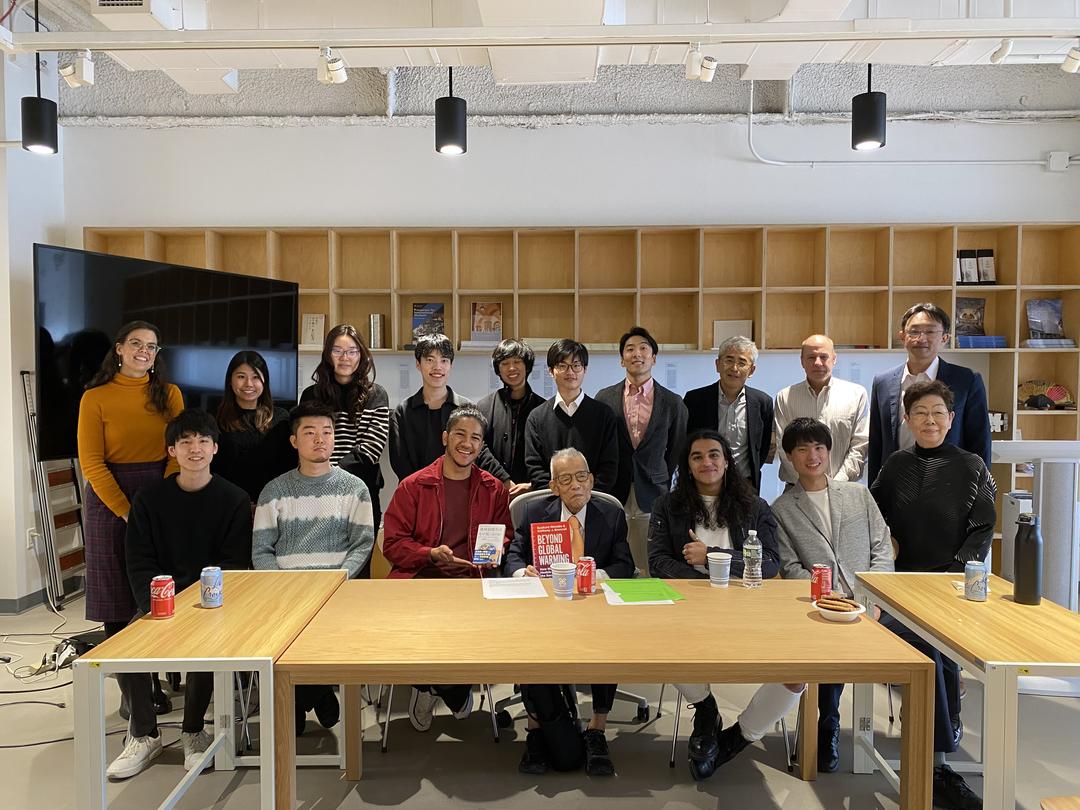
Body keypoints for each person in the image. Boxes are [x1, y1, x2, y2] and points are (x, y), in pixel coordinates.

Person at [871, 379, 994, 810]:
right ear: (907, 419)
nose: (929, 420)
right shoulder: (894, 466)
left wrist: (952, 579)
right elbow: (875, 523)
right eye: (920, 413)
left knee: (936, 649)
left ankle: (936, 752)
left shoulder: (972, 465)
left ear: (951, 419)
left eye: (938, 413)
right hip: (900, 589)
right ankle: (939, 757)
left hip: (952, 588)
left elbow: (983, 529)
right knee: (929, 651)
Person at [109, 409, 252, 780]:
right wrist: (152, 607)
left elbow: (235, 562)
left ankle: (193, 732)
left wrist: (205, 604)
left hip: (211, 603)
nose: (195, 449)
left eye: (203, 441)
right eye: (185, 442)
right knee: (125, 646)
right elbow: (138, 560)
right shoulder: (149, 499)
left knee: (208, 644)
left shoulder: (233, 499)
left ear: (216, 448)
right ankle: (144, 735)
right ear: (171, 450)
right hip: (161, 601)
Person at [647, 430, 783, 780]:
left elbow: (769, 564)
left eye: (713, 455)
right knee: (659, 644)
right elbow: (657, 561)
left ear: (726, 461)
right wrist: (703, 585)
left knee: (797, 674)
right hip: (687, 606)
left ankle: (739, 736)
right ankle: (706, 709)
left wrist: (713, 556)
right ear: (687, 466)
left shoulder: (755, 506)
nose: (706, 462)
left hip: (746, 606)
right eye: (696, 457)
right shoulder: (668, 505)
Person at [771, 417, 893, 772]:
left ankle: (933, 742)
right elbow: (790, 565)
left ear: (829, 451)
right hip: (820, 605)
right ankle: (828, 725)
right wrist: (831, 601)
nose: (813, 456)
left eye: (819, 448)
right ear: (790, 458)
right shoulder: (782, 508)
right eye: (803, 449)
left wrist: (872, 600)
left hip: (871, 603)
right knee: (826, 643)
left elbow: (882, 548)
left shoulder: (858, 494)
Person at [382, 405, 513, 731]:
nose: (467, 444)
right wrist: (429, 553)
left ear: (481, 446)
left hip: (472, 582)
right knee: (427, 630)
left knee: (473, 631)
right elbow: (393, 544)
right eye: (460, 434)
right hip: (420, 580)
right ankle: (450, 690)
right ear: (445, 437)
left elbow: (505, 535)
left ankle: (429, 685)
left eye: (475, 438)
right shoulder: (414, 486)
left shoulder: (493, 489)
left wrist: (495, 552)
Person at [77, 321, 184, 717]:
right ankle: (134, 692)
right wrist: (125, 511)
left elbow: (179, 448)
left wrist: (168, 495)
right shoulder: (95, 397)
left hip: (160, 489)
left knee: (160, 589)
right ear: (119, 349)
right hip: (110, 498)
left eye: (152, 347)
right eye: (136, 344)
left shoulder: (169, 394)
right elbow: (91, 462)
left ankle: (160, 671)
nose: (144, 351)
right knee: (118, 600)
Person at [505, 448, 634, 776]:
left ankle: (597, 728)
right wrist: (523, 573)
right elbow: (515, 554)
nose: (576, 485)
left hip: (594, 605)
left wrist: (596, 574)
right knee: (527, 637)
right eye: (566, 479)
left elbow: (624, 564)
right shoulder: (535, 510)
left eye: (581, 477)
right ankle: (535, 729)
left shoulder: (611, 514)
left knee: (610, 638)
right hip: (544, 604)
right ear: (553, 486)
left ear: (591, 480)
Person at [253, 401, 375, 734]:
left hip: (336, 593)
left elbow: (361, 545)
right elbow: (261, 551)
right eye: (310, 433)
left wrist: (336, 581)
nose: (320, 439)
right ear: (294, 441)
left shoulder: (355, 489)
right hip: (285, 595)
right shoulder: (274, 491)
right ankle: (316, 692)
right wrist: (283, 587)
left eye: (327, 432)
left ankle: (304, 694)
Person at [595, 327, 688, 574]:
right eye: (630, 349)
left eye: (644, 348)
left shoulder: (672, 402)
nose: (637, 353)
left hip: (654, 488)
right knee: (614, 548)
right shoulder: (604, 398)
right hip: (615, 486)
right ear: (621, 359)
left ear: (654, 358)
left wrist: (659, 473)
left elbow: (677, 449)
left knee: (651, 552)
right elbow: (600, 445)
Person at [868, 303, 991, 484]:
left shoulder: (966, 380)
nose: (921, 338)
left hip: (950, 487)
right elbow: (876, 444)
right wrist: (874, 496)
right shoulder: (883, 383)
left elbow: (980, 443)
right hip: (896, 486)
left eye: (931, 332)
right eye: (914, 331)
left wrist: (980, 495)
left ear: (944, 338)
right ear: (902, 337)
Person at [389, 333, 518, 490]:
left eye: (444, 360)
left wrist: (505, 481)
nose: (437, 367)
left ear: (450, 365)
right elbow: (400, 463)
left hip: (460, 492)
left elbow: (480, 451)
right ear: (418, 364)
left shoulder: (466, 409)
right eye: (430, 360)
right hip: (416, 495)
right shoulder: (403, 412)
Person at [300, 324, 391, 544]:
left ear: (361, 355)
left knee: (360, 564)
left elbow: (370, 449)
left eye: (352, 351)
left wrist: (334, 477)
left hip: (361, 492)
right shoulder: (311, 395)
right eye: (337, 351)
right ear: (328, 354)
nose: (345, 357)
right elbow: (308, 443)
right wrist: (323, 479)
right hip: (317, 491)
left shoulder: (376, 394)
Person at [523, 339, 618, 494]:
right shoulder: (537, 417)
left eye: (576, 365)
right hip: (552, 505)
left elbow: (609, 466)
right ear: (551, 371)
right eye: (562, 366)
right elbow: (534, 467)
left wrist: (585, 496)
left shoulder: (604, 415)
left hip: (594, 502)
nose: (570, 372)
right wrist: (559, 496)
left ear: (585, 369)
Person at [773, 335, 869, 486]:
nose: (818, 363)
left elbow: (860, 445)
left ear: (834, 359)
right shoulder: (785, 397)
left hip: (844, 487)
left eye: (823, 357)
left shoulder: (856, 395)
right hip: (797, 490)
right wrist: (808, 484)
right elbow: (783, 447)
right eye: (811, 357)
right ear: (802, 361)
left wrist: (837, 483)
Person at [683, 336, 773, 493]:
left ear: (751, 370)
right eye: (729, 360)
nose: (735, 368)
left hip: (746, 484)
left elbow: (762, 447)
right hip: (704, 483)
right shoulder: (694, 400)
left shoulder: (763, 402)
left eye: (742, 362)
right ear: (717, 365)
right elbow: (686, 443)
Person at [213, 350, 296, 503]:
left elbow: (289, 468)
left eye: (256, 377)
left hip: (273, 504)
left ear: (265, 381)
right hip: (229, 504)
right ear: (230, 380)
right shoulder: (215, 420)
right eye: (241, 377)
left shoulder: (281, 418)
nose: (249, 384)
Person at [476, 339, 545, 490]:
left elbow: (549, 452)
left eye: (517, 362)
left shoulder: (544, 409)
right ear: (498, 369)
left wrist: (533, 485)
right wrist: (503, 479)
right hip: (492, 490)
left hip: (533, 493)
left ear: (527, 366)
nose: (511, 368)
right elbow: (478, 447)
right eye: (505, 363)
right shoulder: (483, 407)